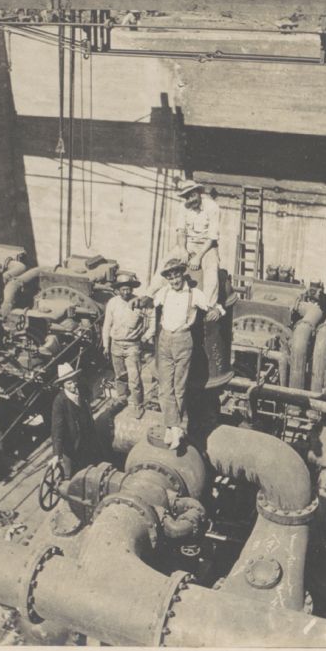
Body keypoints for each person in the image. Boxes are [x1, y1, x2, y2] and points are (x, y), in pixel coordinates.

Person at [141, 258, 223, 451]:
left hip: (183, 341)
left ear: (182, 275)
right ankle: (175, 427)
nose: (174, 281)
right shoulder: (164, 292)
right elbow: (151, 302)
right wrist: (141, 300)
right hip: (164, 341)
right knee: (164, 387)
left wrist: (217, 311)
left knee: (179, 387)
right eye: (170, 278)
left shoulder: (195, 294)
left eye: (176, 276)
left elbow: (214, 307)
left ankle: (173, 428)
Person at [102, 272, 146, 418]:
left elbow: (148, 320)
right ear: (118, 290)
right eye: (123, 289)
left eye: (128, 289)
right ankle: (121, 398)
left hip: (132, 345)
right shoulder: (112, 303)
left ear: (132, 289)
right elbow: (107, 325)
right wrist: (106, 345)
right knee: (120, 376)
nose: (126, 292)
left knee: (134, 378)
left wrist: (146, 336)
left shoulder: (139, 302)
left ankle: (138, 404)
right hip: (116, 345)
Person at [173, 179, 222, 306]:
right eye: (187, 197)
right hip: (189, 243)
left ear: (199, 193)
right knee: (165, 262)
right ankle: (149, 296)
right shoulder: (183, 207)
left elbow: (212, 237)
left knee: (211, 270)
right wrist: (183, 250)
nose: (190, 200)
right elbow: (181, 231)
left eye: (193, 195)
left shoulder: (212, 207)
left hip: (207, 246)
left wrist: (198, 257)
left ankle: (209, 305)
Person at [48, 363, 99, 478]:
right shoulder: (59, 402)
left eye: (74, 381)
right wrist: (56, 454)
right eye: (69, 383)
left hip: (87, 439)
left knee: (91, 467)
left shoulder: (82, 390)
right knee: (71, 474)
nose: (73, 385)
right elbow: (57, 429)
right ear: (62, 385)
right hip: (72, 445)